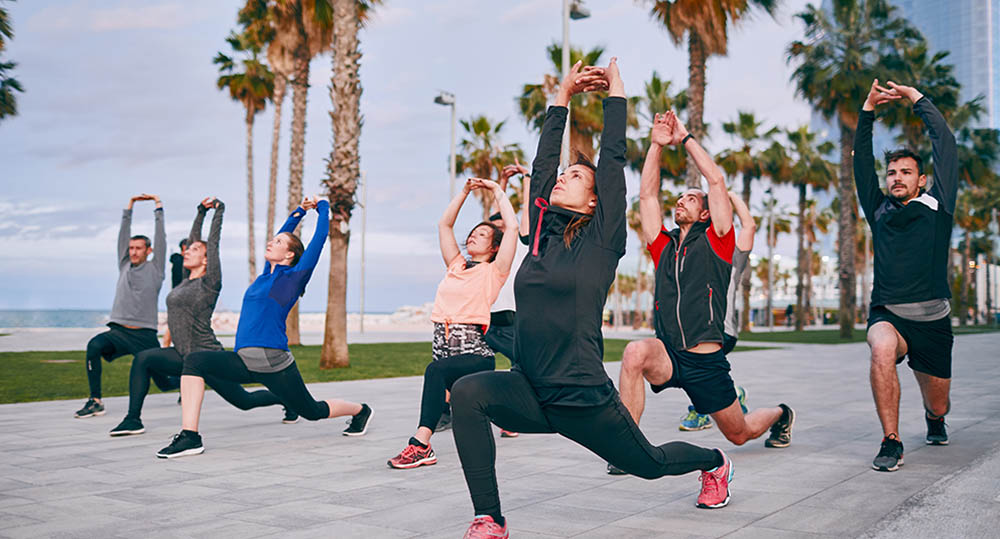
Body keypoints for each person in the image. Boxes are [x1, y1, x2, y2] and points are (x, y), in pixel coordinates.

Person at [450, 59, 734, 539]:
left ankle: (715, 461)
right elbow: (541, 169)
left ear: (594, 200)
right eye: (564, 174)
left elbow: (613, 159)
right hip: (530, 387)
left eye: (575, 177)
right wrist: (561, 96)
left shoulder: (603, 240)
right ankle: (489, 518)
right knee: (467, 393)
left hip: (581, 396)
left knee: (649, 464)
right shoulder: (539, 233)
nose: (561, 178)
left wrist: (615, 95)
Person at [614, 110, 793, 468]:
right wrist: (655, 146)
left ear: (707, 214)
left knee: (739, 433)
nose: (681, 201)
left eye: (691, 199)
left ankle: (781, 414)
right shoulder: (663, 245)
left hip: (705, 362)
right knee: (635, 353)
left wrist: (685, 139)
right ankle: (626, 448)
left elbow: (715, 182)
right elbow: (648, 198)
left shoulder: (719, 241)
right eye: (680, 198)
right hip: (669, 352)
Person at [156, 197, 372, 458]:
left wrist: (321, 207)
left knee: (312, 411)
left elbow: (320, 237)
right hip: (245, 360)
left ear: (290, 255)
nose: (272, 242)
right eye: (273, 240)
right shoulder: (264, 277)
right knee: (194, 361)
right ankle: (190, 436)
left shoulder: (292, 279)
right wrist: (298, 212)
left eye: (278, 242)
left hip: (273, 361)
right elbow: (284, 235)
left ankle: (361, 411)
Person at [109, 198, 289, 437]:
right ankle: (133, 420)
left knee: (244, 402)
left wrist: (218, 212)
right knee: (143, 359)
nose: (188, 251)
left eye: (194, 250)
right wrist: (200, 212)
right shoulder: (186, 280)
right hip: (182, 354)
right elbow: (195, 240)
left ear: (206, 260)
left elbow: (212, 244)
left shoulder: (210, 283)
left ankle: (285, 400)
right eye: (188, 249)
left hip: (207, 355)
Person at [855, 80, 958, 472]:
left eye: (906, 172)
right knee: (880, 348)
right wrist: (868, 110)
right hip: (889, 315)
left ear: (922, 180)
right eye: (892, 172)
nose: (897, 177)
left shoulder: (939, 205)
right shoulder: (878, 208)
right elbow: (861, 160)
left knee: (939, 402)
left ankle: (934, 418)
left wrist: (917, 99)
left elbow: (945, 144)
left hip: (933, 321)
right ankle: (891, 440)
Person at [387, 178, 519, 469]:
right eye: (472, 232)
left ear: (494, 246)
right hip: (443, 349)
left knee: (435, 374)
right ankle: (507, 416)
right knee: (456, 403)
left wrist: (497, 190)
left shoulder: (495, 271)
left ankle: (420, 445)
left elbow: (512, 228)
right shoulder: (456, 265)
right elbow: (444, 225)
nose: (473, 236)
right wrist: (464, 193)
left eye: (482, 234)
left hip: (475, 354)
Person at [74, 194, 166, 419]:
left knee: (165, 383)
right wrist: (130, 207)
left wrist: (158, 207)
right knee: (94, 346)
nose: (133, 251)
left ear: (149, 251)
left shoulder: (156, 270)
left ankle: (189, 383)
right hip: (118, 332)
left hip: (144, 335)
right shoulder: (124, 264)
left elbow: (161, 237)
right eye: (131, 248)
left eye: (139, 248)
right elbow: (122, 234)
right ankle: (95, 401)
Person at [677, 191, 755, 433]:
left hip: (722, 331)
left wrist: (727, 194)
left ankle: (700, 411)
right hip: (694, 329)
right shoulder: (692, 248)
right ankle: (733, 396)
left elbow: (749, 225)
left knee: (697, 370)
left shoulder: (732, 253)